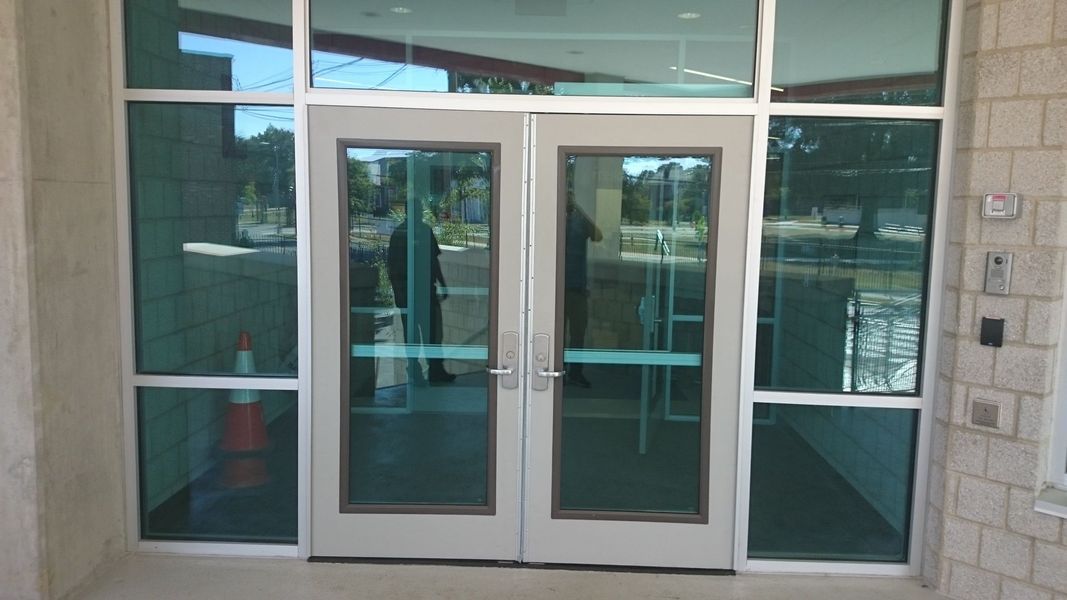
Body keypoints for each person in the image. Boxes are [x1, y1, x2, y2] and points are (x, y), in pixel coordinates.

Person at [387, 200, 455, 384]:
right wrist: (401, 295)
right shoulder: (400, 234)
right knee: (414, 337)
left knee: (432, 335)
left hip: (426, 294)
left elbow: (434, 261)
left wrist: (442, 284)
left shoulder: (424, 231)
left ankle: (435, 371)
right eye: (415, 210)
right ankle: (417, 373)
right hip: (410, 296)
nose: (418, 213)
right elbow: (392, 269)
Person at [563, 197, 602, 388]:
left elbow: (598, 235)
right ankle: (559, 372)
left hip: (577, 289)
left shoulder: (580, 222)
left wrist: (581, 209)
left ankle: (575, 373)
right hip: (556, 291)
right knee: (556, 335)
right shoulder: (551, 220)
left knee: (578, 334)